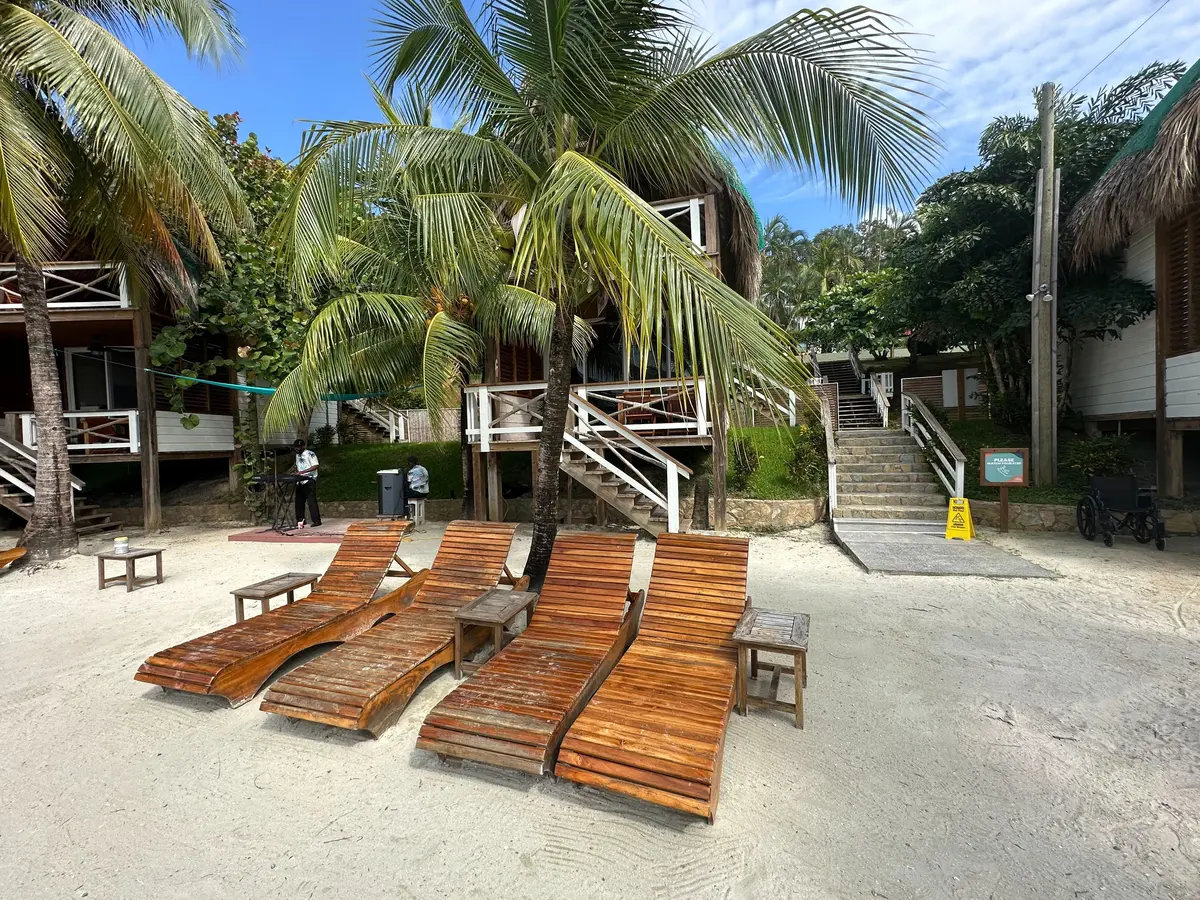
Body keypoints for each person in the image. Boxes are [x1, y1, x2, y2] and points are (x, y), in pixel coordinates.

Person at [293, 438, 321, 528]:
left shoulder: (310, 454)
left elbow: (316, 466)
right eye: (296, 447)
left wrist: (303, 472)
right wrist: (297, 472)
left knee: (311, 501)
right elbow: (298, 466)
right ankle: (300, 520)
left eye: (299, 447)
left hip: (309, 480)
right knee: (299, 501)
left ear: (303, 446)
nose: (297, 449)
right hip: (300, 480)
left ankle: (316, 520)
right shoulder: (297, 455)